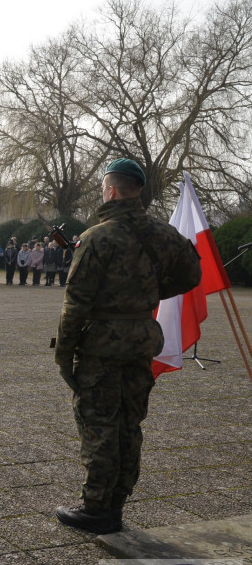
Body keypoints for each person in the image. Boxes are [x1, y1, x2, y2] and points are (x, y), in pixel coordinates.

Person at [54, 158, 201, 534]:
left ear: (111, 190)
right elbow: (192, 274)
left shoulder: (97, 237)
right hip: (141, 341)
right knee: (129, 422)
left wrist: (63, 354)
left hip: (102, 346)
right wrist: (148, 294)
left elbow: (75, 305)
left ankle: (96, 509)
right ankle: (116, 503)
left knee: (100, 424)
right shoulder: (166, 235)